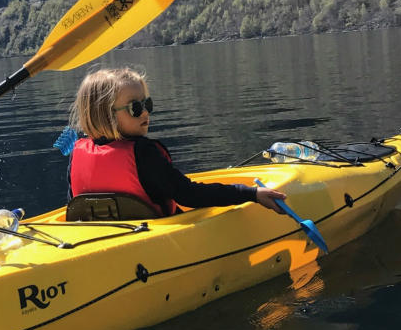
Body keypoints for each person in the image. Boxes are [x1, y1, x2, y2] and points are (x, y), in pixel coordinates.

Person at [64, 67, 287, 220]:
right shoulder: (143, 153)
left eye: (146, 104)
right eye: (135, 108)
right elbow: (188, 194)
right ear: (105, 115)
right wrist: (251, 194)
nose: (145, 113)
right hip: (153, 244)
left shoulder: (77, 154)